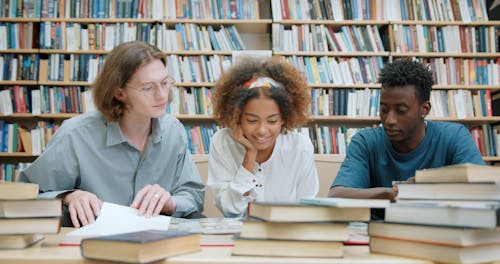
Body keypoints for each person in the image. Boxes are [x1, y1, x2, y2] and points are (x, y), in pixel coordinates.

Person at [18, 41, 205, 227]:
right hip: (92, 243)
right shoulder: (75, 134)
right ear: (119, 93)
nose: (163, 95)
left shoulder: (173, 130)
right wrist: (69, 196)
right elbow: (28, 194)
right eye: (148, 88)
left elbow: (193, 195)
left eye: (165, 83)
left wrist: (170, 203)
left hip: (157, 239)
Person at [329, 59, 484, 217]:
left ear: (424, 109)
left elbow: (483, 191)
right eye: (384, 109)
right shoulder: (365, 142)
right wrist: (394, 193)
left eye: (401, 110)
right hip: (378, 237)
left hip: (441, 236)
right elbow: (336, 195)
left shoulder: (454, 137)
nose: (390, 120)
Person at [207, 57, 319, 217]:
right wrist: (249, 156)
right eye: (252, 120)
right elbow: (231, 210)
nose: (262, 130)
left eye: (272, 120)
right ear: (237, 117)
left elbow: (308, 209)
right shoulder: (222, 143)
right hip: (240, 238)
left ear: (284, 118)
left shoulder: (300, 147)